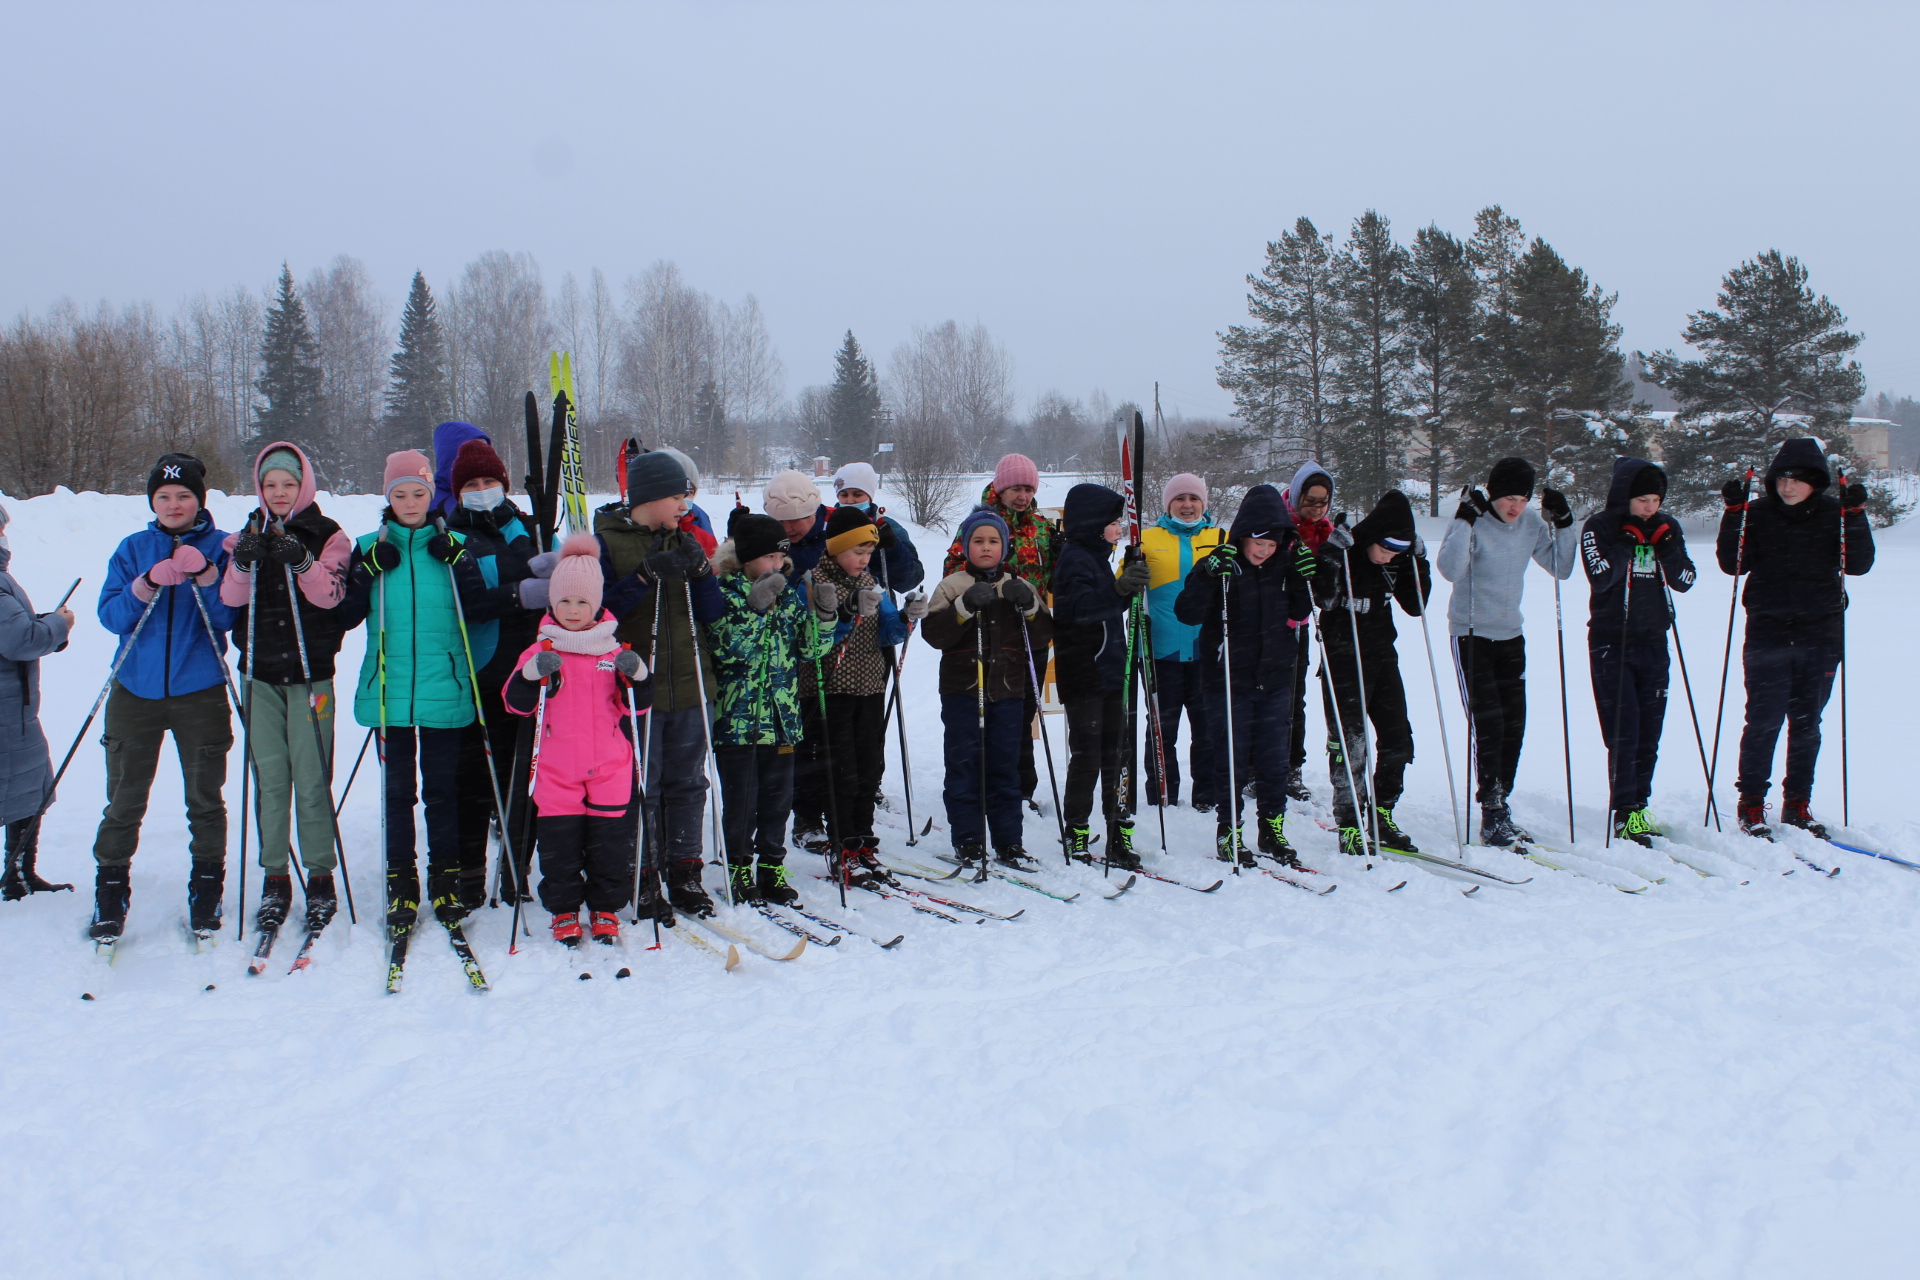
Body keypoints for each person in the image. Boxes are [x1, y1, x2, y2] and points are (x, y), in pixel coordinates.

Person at [341, 451, 504, 932]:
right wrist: (366, 569)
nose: (410, 502)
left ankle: (446, 881)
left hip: (445, 690)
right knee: (397, 795)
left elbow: (477, 609)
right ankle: (401, 884)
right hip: (388, 692)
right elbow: (347, 615)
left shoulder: (453, 544)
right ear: (387, 498)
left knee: (442, 793)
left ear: (431, 495)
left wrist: (461, 562)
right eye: (399, 494)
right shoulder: (369, 545)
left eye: (418, 493)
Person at [84, 455, 233, 940]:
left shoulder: (221, 547)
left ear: (199, 501)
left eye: (183, 496)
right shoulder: (133, 548)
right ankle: (110, 890)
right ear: (152, 502)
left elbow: (230, 618)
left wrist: (209, 577)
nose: (173, 504)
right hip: (135, 689)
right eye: (164, 497)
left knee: (205, 798)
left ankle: (206, 886)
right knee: (124, 799)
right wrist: (145, 584)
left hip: (200, 689)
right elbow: (110, 616)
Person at [219, 443, 355, 935]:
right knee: (271, 780)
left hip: (310, 676)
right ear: (260, 488)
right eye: (270, 484)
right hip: (259, 675)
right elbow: (230, 597)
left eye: (288, 484)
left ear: (304, 486)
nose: (279, 493)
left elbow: (330, 596)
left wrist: (301, 561)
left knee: (313, 777)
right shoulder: (244, 535)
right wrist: (242, 562)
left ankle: (320, 877)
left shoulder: (328, 535)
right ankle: (275, 877)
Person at [1720, 438, 1874, 839]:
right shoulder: (1758, 513)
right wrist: (1733, 513)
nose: (1788, 486)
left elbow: (1858, 564)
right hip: (1768, 632)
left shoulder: (1834, 514)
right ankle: (1751, 802)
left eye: (1798, 480)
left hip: (1820, 633)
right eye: (1782, 478)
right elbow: (1732, 564)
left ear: (1816, 483)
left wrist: (1856, 515)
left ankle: (1797, 804)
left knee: (1807, 725)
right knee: (1763, 721)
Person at [501, 534, 649, 946]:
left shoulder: (613, 650)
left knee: (608, 849)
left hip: (610, 769)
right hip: (556, 770)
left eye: (581, 602)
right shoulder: (539, 651)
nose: (572, 610)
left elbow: (637, 708)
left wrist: (638, 676)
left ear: (597, 605)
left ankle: (605, 908)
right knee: (560, 850)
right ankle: (564, 910)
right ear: (552, 602)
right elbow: (515, 704)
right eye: (564, 601)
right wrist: (532, 677)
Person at [596, 449, 725, 916]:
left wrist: (703, 572)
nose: (684, 506)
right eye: (677, 496)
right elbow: (599, 614)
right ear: (649, 497)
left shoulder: (686, 537)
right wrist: (645, 575)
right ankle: (644, 872)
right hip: (635, 686)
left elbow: (713, 616)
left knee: (688, 781)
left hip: (691, 683)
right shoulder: (605, 543)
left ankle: (685, 871)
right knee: (641, 783)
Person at [1436, 457, 1577, 846]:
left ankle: (1501, 804)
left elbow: (1561, 568)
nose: (1515, 506)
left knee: (1515, 725)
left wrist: (1565, 523)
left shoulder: (1530, 523)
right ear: (1493, 494)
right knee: (1490, 724)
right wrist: (1464, 520)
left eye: (1523, 498)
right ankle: (1491, 812)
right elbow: (1449, 569)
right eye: (1508, 498)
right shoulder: (1475, 520)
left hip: (1511, 635)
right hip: (1471, 634)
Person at [1175, 484, 1314, 864]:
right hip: (1227, 679)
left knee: (1273, 760)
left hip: (1274, 676)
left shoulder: (1284, 565)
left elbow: (1302, 612)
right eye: (1258, 542)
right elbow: (1187, 613)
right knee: (1231, 757)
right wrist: (1205, 577)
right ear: (1242, 535)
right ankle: (1228, 831)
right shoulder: (1220, 564)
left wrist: (1305, 577)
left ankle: (1272, 829)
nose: (1264, 550)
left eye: (1272, 543)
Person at [706, 509, 827, 904]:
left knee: (777, 799)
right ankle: (739, 865)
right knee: (742, 800)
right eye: (768, 558)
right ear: (745, 558)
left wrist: (824, 619)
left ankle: (772, 865)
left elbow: (809, 651)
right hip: (738, 721)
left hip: (782, 718)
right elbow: (728, 652)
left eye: (780, 557)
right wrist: (756, 611)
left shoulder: (788, 595)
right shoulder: (723, 593)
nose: (776, 565)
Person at [443, 438, 544, 907]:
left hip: (531, 671)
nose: (482, 491)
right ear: (458, 491)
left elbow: (568, 585)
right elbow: (465, 604)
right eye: (472, 485)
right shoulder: (452, 534)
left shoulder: (529, 528)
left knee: (523, 775)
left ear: (504, 485)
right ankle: (468, 875)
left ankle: (516, 868)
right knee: (472, 780)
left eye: (489, 483)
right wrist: (519, 593)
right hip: (478, 672)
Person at [921, 507, 1053, 867]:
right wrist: (963, 606)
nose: (985, 547)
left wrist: (1027, 605)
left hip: (1008, 693)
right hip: (963, 692)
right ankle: (968, 840)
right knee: (964, 767)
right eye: (977, 541)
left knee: (1005, 769)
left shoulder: (1019, 585)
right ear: (965, 547)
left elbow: (1042, 635)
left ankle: (1009, 842)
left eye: (993, 541)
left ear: (1005, 546)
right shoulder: (952, 585)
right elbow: (934, 635)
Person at [1579, 458, 1697, 846]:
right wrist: (1626, 545)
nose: (1649, 508)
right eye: (1642, 499)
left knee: (1650, 731)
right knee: (1623, 731)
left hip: (1654, 641)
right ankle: (1624, 811)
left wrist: (1667, 551)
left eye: (1656, 500)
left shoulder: (1668, 527)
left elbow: (1686, 581)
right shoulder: (1600, 526)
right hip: (1613, 641)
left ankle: (1639, 807)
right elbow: (1600, 578)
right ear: (1625, 496)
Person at [794, 506, 915, 879]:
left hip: (869, 688)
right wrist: (845, 613)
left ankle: (863, 839)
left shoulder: (871, 584)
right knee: (841, 772)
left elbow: (889, 634)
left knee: (868, 768)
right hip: (829, 690)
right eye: (856, 552)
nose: (863, 560)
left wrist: (908, 618)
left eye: (867, 553)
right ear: (834, 548)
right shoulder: (813, 583)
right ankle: (842, 843)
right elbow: (811, 643)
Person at [1310, 490, 1431, 856]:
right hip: (1343, 655)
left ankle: (1381, 813)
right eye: (1386, 548)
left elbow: (1416, 605)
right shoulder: (1348, 550)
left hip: (1381, 654)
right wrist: (1332, 551)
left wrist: (1419, 562)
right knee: (1350, 744)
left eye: (1399, 551)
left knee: (1398, 740)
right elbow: (1324, 599)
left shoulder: (1399, 559)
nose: (1390, 556)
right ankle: (1349, 822)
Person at [940, 453, 1060, 807]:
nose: (1022, 495)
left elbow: (1053, 579)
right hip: (988, 632)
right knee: (982, 711)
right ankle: (976, 783)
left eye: (1027, 488)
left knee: (1021, 714)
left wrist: (1064, 558)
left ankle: (1019, 788)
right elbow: (952, 568)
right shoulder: (980, 524)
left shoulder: (1041, 528)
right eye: (1015, 488)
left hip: (1029, 632)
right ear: (1000, 487)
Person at [1050, 483, 1151, 869]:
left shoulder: (1096, 556)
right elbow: (1079, 611)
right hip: (1086, 674)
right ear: (1093, 525)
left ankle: (1118, 832)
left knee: (1118, 754)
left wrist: (1125, 585)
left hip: (1109, 670)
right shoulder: (1075, 558)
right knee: (1089, 756)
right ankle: (1076, 831)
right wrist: (1119, 588)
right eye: (1113, 523)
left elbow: (1107, 609)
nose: (1119, 529)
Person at [0, 501, 76, 905]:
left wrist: (47, 625)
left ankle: (19, 875)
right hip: (7, 712)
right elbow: (20, 641)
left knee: (27, 788)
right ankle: (16, 877)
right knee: (22, 789)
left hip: (14, 710)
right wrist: (58, 625)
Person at [1141, 471, 1225, 812]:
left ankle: (1206, 795)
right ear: (1168, 504)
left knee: (1207, 729)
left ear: (1203, 503)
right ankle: (1162, 793)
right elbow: (1124, 585)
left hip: (1208, 651)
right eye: (1179, 499)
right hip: (1164, 651)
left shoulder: (1222, 537)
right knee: (1162, 729)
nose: (1187, 505)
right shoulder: (1147, 539)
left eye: (1193, 499)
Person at [1281, 462, 1335, 802]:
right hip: (1270, 625)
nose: (1315, 508)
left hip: (1302, 626)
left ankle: (1290, 767)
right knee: (1267, 698)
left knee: (1293, 700)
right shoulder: (1277, 523)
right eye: (1309, 500)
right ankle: (1258, 766)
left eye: (1322, 501)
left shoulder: (1326, 532)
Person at [832, 461, 924, 596]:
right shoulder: (827, 526)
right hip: (835, 606)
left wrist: (892, 547)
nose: (850, 501)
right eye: (844, 495)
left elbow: (910, 579)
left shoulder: (888, 527)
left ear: (869, 496)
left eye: (857, 495)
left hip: (879, 607)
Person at [763, 469, 831, 584]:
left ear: (812, 512)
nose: (787, 529)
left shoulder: (836, 531)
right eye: (779, 523)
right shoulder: (767, 538)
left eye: (793, 520)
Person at [655, 446, 716, 554]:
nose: (682, 503)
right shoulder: (633, 534)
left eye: (689, 493)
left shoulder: (702, 533)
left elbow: (717, 568)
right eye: (675, 494)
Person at [430, 421, 492, 519]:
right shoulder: (432, 505)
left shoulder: (489, 492)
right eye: (472, 452)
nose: (479, 459)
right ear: (451, 456)